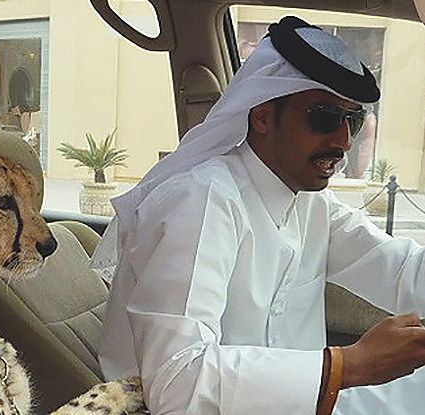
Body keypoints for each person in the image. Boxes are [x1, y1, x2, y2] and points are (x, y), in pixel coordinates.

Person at [93, 16, 425, 414]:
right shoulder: (199, 201)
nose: (344, 141)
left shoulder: (308, 203)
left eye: (352, 120)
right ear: (263, 115)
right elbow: (176, 382)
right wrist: (349, 365)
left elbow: (402, 269)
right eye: (324, 117)